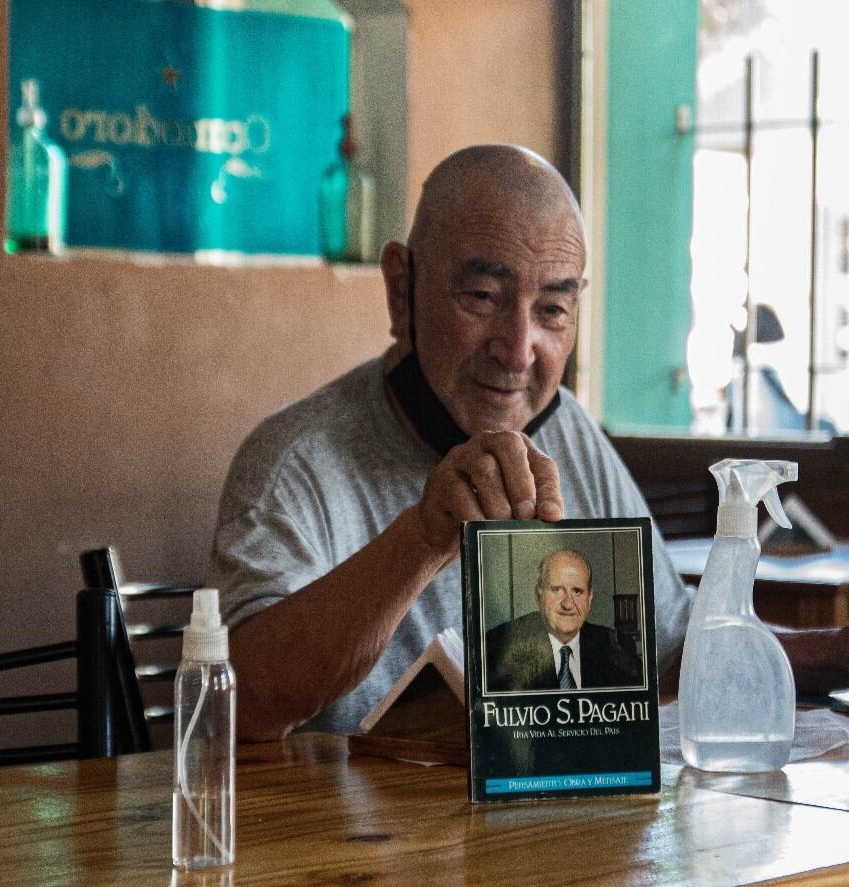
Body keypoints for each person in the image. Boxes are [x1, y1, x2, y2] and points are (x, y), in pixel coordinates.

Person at [209, 144, 849, 742]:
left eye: (552, 310)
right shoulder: (295, 463)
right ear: (402, 290)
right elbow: (241, 704)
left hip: (537, 842)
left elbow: (674, 658)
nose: (518, 350)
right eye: (483, 296)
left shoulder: (565, 429)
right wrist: (426, 536)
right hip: (346, 849)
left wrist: (839, 651)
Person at [484, 549, 642, 692]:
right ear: (539, 595)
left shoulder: (617, 647)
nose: (567, 604)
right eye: (557, 589)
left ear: (590, 598)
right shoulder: (498, 646)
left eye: (577, 591)